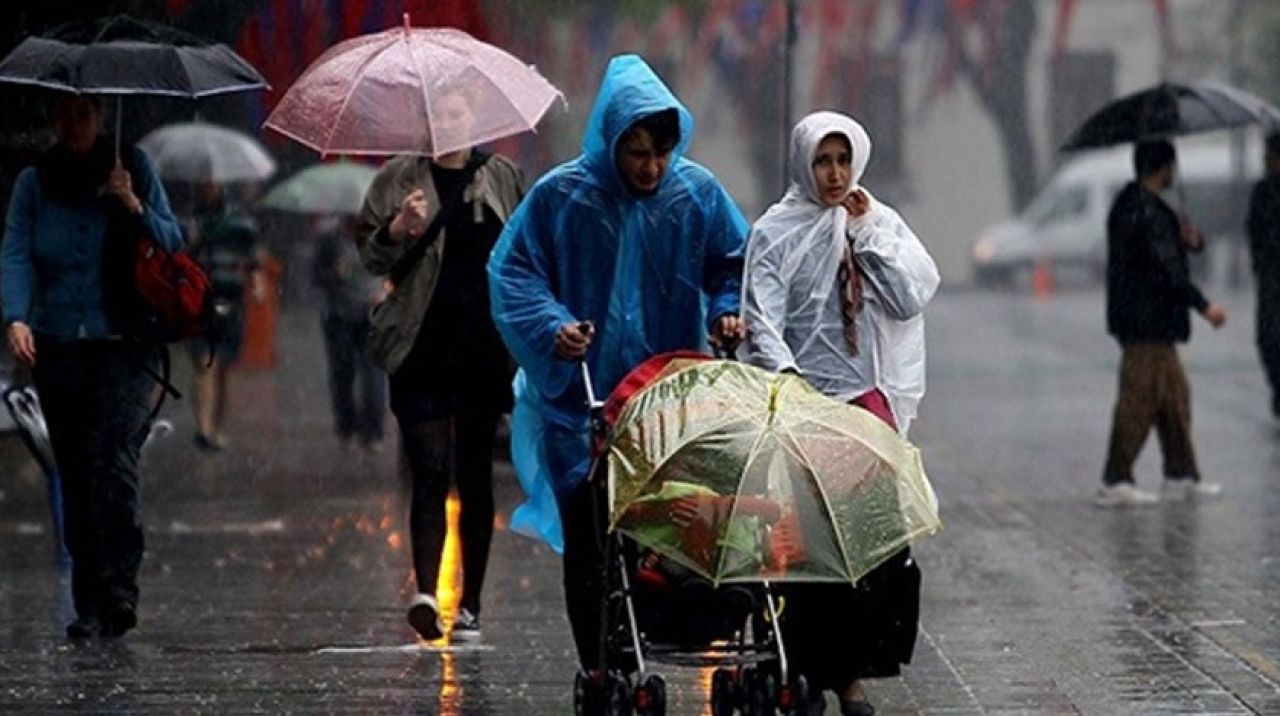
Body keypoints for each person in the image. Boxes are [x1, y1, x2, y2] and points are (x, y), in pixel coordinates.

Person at [488, 54, 747, 693]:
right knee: (590, 534)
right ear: (611, 141)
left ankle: (660, 632)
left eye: (660, 153)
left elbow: (732, 266)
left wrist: (725, 314)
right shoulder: (562, 198)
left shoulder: (697, 195)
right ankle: (604, 662)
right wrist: (554, 327)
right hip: (582, 405)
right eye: (635, 153)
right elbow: (514, 272)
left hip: (669, 399)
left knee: (669, 528)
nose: (650, 168)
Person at [741, 111, 939, 716]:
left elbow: (909, 296)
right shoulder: (776, 232)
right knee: (811, 551)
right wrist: (791, 383)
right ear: (805, 162)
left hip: (866, 405)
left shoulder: (873, 220)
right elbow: (762, 318)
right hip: (804, 408)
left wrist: (868, 236)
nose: (834, 174)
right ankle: (813, 672)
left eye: (842, 161)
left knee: (871, 550)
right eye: (823, 161)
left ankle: (853, 672)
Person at [1, 93, 183, 638]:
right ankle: (88, 601)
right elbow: (15, 251)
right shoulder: (35, 183)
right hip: (59, 346)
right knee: (76, 473)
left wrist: (133, 203)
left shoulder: (135, 167)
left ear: (101, 116)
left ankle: (120, 588)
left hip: (125, 345)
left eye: (84, 114)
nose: (74, 125)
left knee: (115, 462)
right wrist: (16, 316)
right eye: (64, 115)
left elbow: (173, 241)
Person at [356, 88, 524, 643]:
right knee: (428, 468)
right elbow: (369, 253)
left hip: (481, 348)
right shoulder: (397, 178)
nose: (445, 124)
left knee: (474, 474)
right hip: (419, 346)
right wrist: (396, 228)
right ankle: (427, 591)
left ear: (473, 117)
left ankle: (470, 601)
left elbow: (527, 250)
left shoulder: (500, 176)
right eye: (435, 115)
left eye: (455, 112)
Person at [1097, 139, 1226, 507]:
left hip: (1150, 322)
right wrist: (1204, 306)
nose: (1175, 173)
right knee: (1137, 402)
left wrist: (1190, 240)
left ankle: (1180, 473)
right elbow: (1165, 270)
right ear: (1163, 167)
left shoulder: (1140, 208)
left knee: (1174, 399)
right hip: (1146, 323)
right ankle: (1115, 478)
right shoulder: (1145, 211)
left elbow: (1167, 252)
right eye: (1172, 165)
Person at [185, 180, 259, 451]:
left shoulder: (240, 222)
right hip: (199, 302)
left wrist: (251, 275)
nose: (208, 189)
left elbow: (252, 259)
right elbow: (180, 257)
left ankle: (216, 427)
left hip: (230, 301)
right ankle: (204, 427)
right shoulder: (191, 221)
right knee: (206, 364)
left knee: (224, 368)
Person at [311, 214, 386, 451]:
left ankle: (373, 431)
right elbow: (316, 276)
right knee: (342, 374)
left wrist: (385, 293)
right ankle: (346, 426)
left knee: (374, 375)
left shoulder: (383, 236)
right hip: (338, 316)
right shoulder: (329, 239)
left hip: (372, 316)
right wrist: (334, 273)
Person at [1247, 132, 1280, 420]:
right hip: (1270, 276)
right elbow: (1253, 231)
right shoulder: (1262, 191)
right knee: (1267, 337)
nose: (1264, 159)